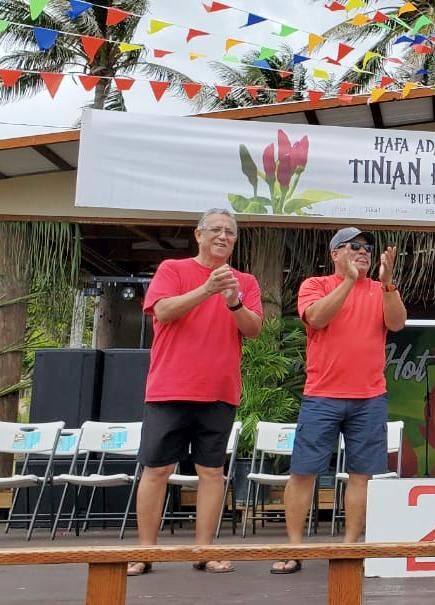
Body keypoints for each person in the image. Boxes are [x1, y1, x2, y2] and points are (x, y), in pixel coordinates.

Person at [128, 208, 264, 576]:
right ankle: (145, 551)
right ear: (198, 235)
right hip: (169, 387)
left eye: (230, 232)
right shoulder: (173, 269)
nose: (223, 236)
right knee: (156, 470)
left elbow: (253, 329)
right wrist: (206, 289)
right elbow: (163, 311)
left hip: (219, 390)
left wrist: (233, 299)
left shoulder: (246, 281)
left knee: (212, 472)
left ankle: (204, 549)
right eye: (216, 230)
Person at [272, 227, 406, 575]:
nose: (364, 252)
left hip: (369, 397)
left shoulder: (381, 290)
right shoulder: (315, 285)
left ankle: (349, 548)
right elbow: (316, 317)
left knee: (360, 475)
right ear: (335, 254)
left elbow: (397, 322)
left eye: (367, 248)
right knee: (303, 472)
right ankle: (293, 548)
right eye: (355, 247)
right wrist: (348, 281)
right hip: (322, 396)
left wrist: (388, 283)